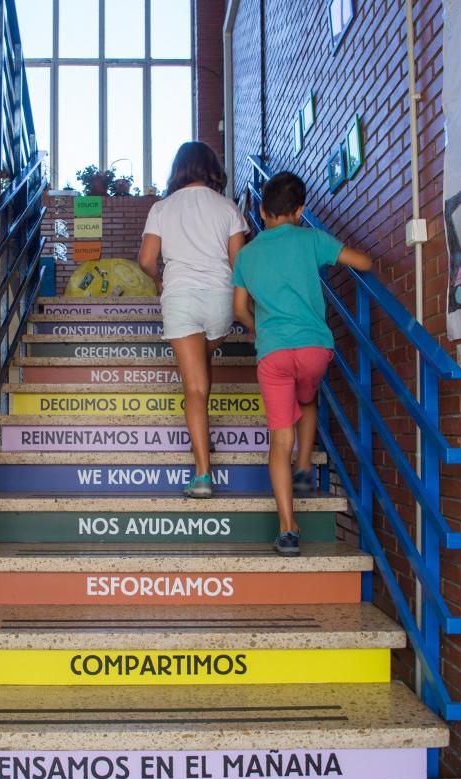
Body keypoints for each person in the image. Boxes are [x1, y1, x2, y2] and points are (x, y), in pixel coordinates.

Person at [232, 171, 371, 555]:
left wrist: (259, 327)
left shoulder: (247, 254)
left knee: (280, 439)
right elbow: (362, 262)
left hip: (273, 353)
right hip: (314, 349)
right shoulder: (312, 239)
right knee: (308, 400)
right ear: (301, 210)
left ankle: (288, 529)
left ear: (260, 211)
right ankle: (306, 467)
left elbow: (240, 309)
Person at [138, 142, 248, 498]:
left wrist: (159, 281)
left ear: (179, 168)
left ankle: (202, 475)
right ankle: (205, 442)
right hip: (220, 300)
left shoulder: (161, 208)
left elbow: (145, 260)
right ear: (211, 168)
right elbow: (240, 264)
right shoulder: (227, 207)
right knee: (203, 357)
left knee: (194, 387)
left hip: (181, 297)